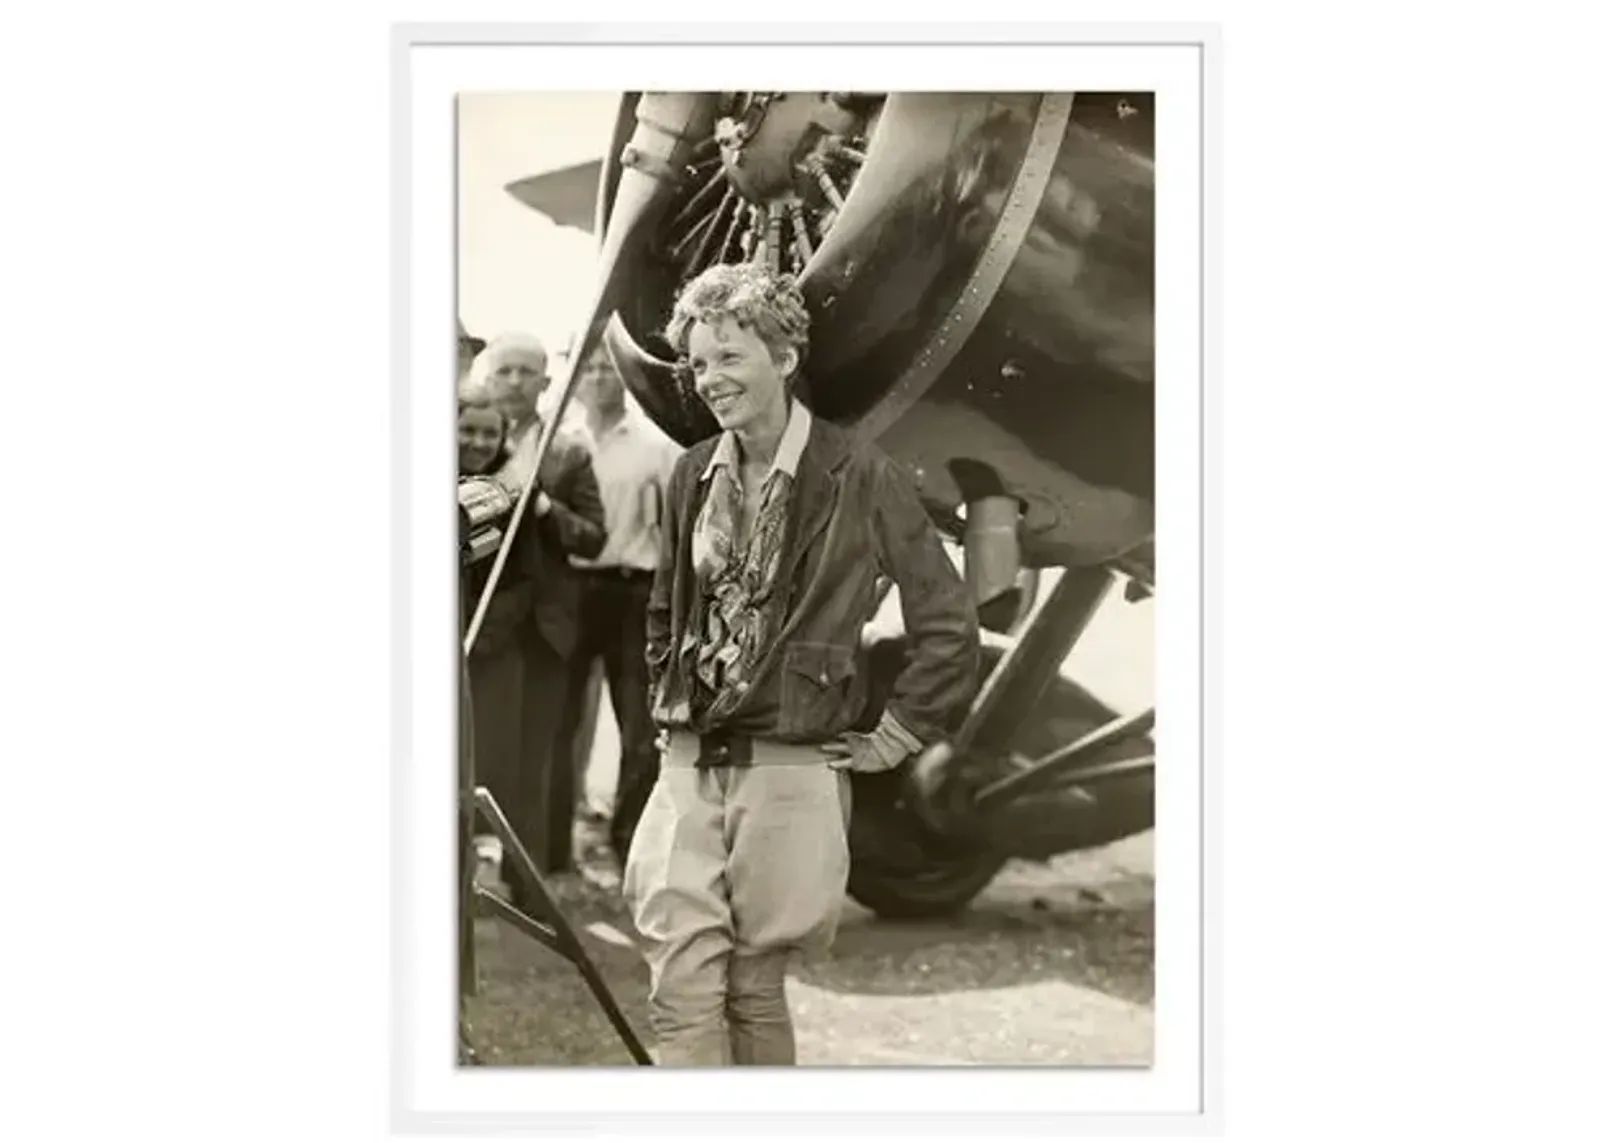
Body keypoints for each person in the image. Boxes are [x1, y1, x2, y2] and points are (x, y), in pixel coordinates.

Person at [622, 263, 982, 1066]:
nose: (709, 379)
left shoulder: (861, 474)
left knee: (753, 989)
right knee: (679, 991)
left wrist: (896, 734)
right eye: (700, 360)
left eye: (730, 357)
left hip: (791, 769)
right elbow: (663, 611)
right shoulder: (690, 474)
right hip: (687, 764)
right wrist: (665, 704)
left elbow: (947, 621)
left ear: (784, 357)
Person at [464, 340, 608, 888]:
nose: (516, 381)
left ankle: (530, 883)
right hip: (482, 629)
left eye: (529, 372)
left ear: (547, 382)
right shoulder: (466, 439)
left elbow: (594, 538)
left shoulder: (567, 452)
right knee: (473, 760)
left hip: (544, 630)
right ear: (487, 376)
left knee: (536, 760)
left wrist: (547, 506)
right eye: (505, 370)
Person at [552, 347, 684, 873]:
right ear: (574, 375)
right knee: (560, 721)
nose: (600, 376)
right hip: (571, 590)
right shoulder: (557, 443)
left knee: (638, 724)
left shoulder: (655, 446)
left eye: (608, 366)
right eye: (589, 367)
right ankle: (552, 851)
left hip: (634, 591)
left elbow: (677, 525)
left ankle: (631, 846)